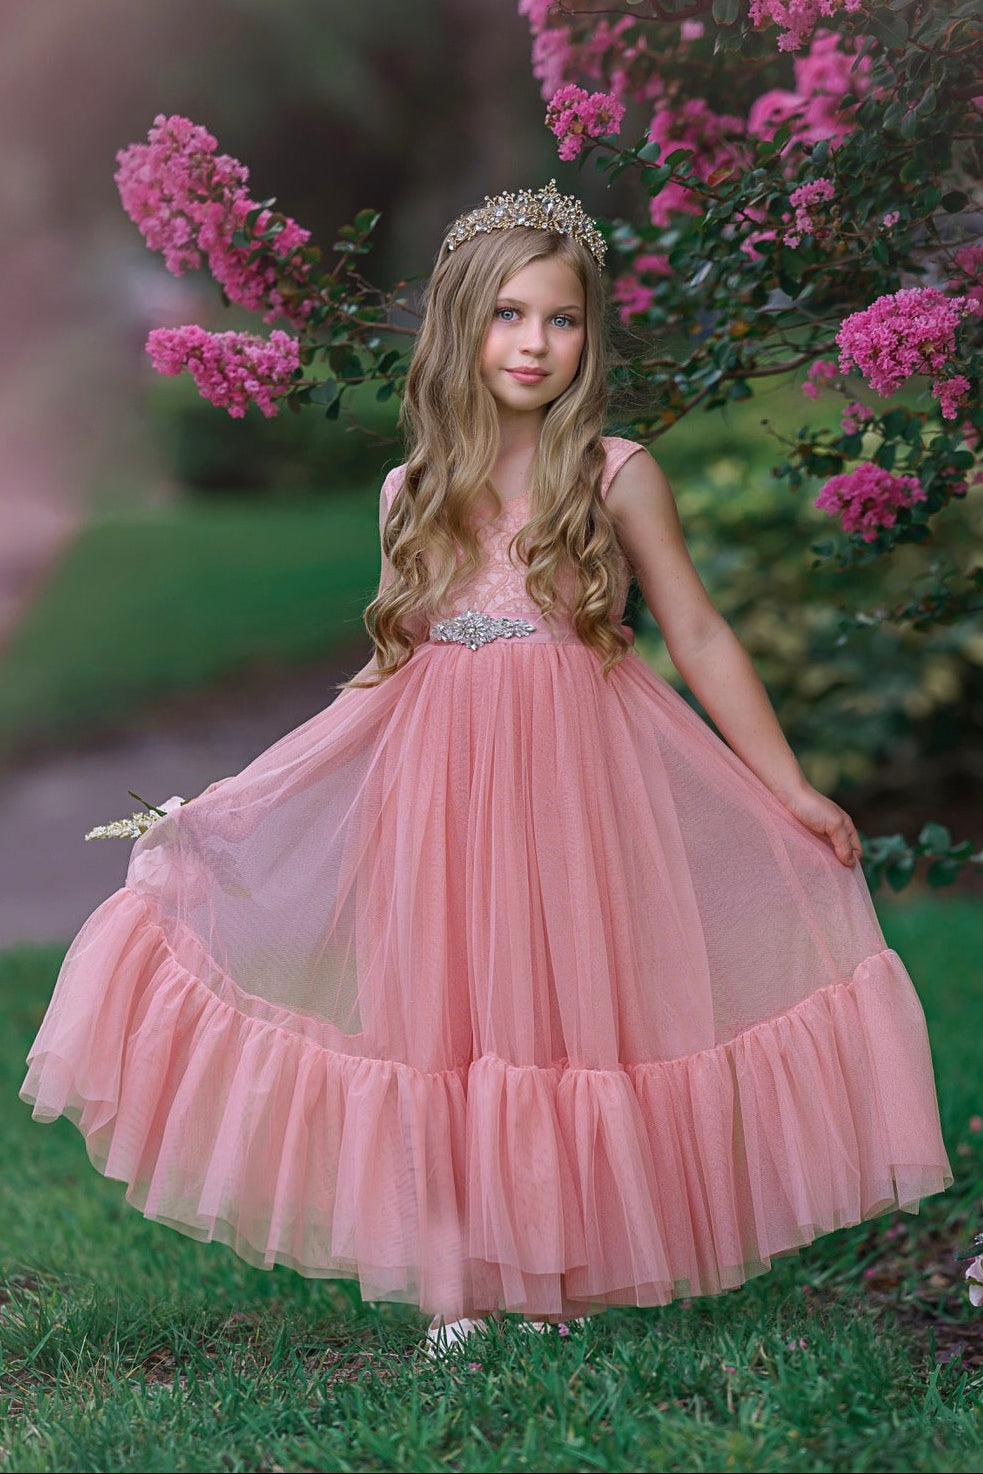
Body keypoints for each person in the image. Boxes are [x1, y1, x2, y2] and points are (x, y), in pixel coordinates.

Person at [20, 181, 951, 1358]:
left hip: (574, 782)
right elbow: (383, 669)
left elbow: (699, 631)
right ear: (462, 325)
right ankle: (458, 1277)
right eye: (508, 314)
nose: (533, 343)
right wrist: (242, 799)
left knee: (560, 1011)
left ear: (588, 337)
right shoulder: (410, 490)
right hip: (436, 790)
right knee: (442, 1018)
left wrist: (786, 785)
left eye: (561, 319)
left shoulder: (612, 472)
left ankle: (553, 1273)